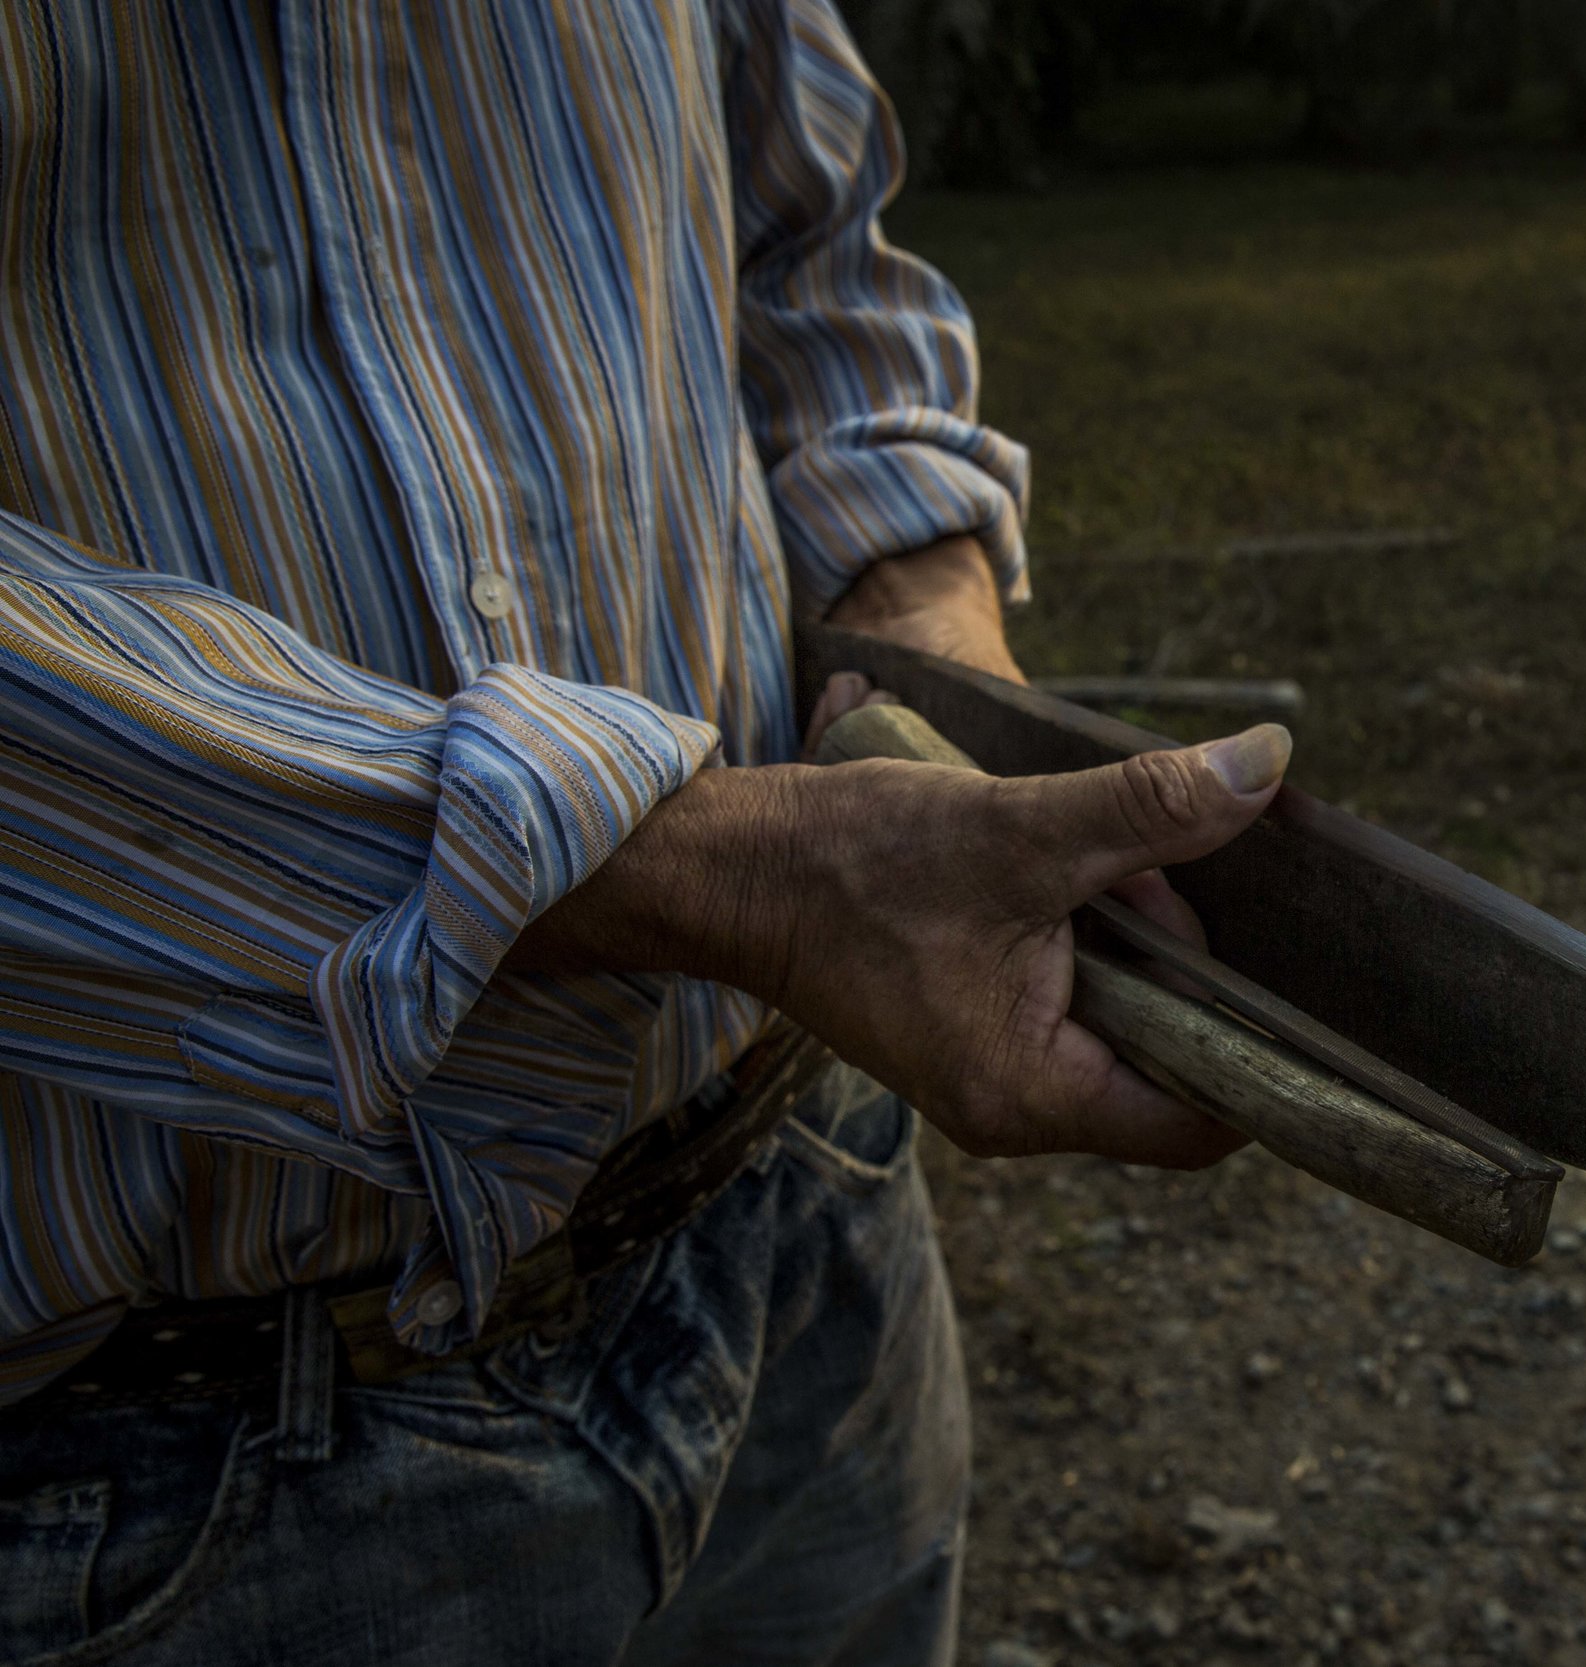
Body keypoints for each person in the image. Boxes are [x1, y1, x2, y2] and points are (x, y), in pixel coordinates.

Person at [0, 4, 1284, 1661]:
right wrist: (722, 875)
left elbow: (807, 248)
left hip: (799, 1242)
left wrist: (933, 653)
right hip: (160, 1485)